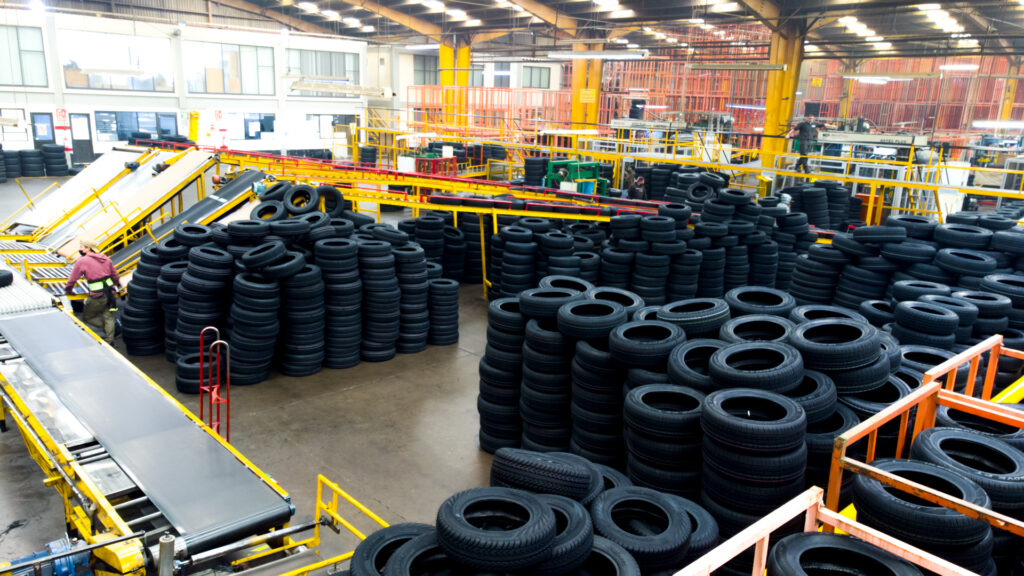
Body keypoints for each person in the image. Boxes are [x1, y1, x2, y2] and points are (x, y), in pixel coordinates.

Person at [65, 240, 120, 344]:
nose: (80, 249)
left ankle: (108, 330)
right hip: (110, 293)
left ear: (88, 248)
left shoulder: (82, 261)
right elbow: (115, 276)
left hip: (97, 295)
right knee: (109, 317)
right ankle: (110, 339)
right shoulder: (106, 259)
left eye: (81, 247)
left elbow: (72, 279)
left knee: (88, 317)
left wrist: (68, 290)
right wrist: (115, 285)